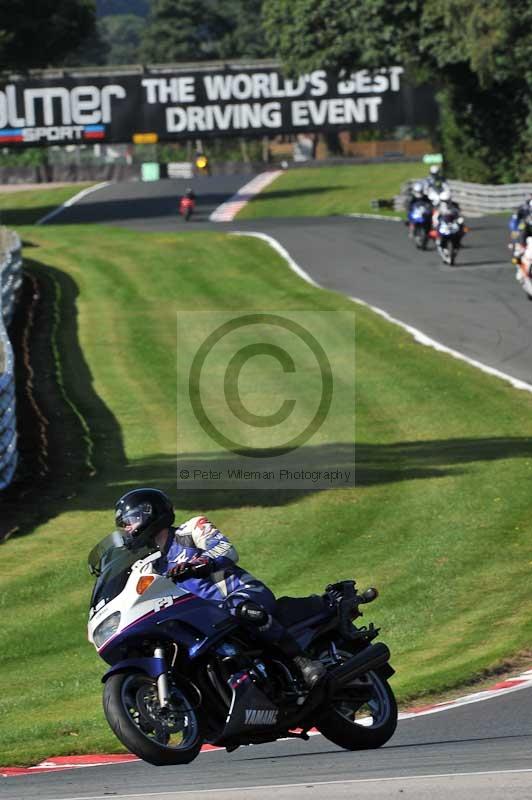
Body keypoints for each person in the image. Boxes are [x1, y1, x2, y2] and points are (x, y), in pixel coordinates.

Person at [114, 487, 326, 688]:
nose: (127, 529)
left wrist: (198, 564)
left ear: (149, 513)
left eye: (130, 521)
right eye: (123, 525)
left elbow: (226, 549)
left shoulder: (191, 530)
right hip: (208, 618)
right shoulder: (151, 566)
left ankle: (303, 661)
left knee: (241, 608)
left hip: (241, 593)